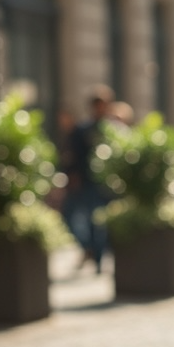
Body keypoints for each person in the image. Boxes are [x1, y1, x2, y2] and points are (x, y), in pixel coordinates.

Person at [62, 85, 114, 272]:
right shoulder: (82, 130)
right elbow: (72, 155)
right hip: (84, 183)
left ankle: (98, 259)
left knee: (98, 223)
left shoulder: (112, 130)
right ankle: (88, 249)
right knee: (71, 217)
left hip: (105, 184)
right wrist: (72, 176)